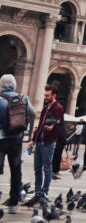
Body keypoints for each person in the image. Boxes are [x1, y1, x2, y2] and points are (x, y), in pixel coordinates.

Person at [0, 74, 35, 215]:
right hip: (16, 139)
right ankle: (13, 203)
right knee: (15, 170)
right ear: (14, 84)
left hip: (1, 139)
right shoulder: (23, 98)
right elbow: (33, 113)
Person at [29, 84, 64, 201]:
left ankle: (45, 192)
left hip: (48, 141)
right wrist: (33, 139)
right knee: (37, 168)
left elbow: (58, 122)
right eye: (44, 95)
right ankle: (37, 191)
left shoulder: (58, 107)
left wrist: (53, 127)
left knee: (47, 168)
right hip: (40, 140)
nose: (45, 97)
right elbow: (40, 125)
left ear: (54, 95)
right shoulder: (45, 108)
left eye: (48, 95)